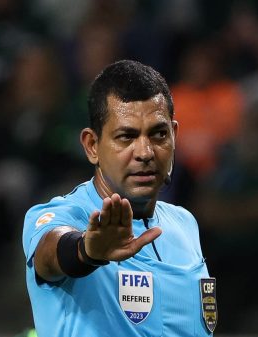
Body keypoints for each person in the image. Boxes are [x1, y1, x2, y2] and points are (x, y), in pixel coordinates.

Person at [22, 60, 216, 336]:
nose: (145, 152)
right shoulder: (66, 215)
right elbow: (51, 254)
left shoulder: (185, 224)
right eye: (126, 136)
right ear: (92, 146)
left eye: (159, 134)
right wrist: (86, 252)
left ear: (174, 136)